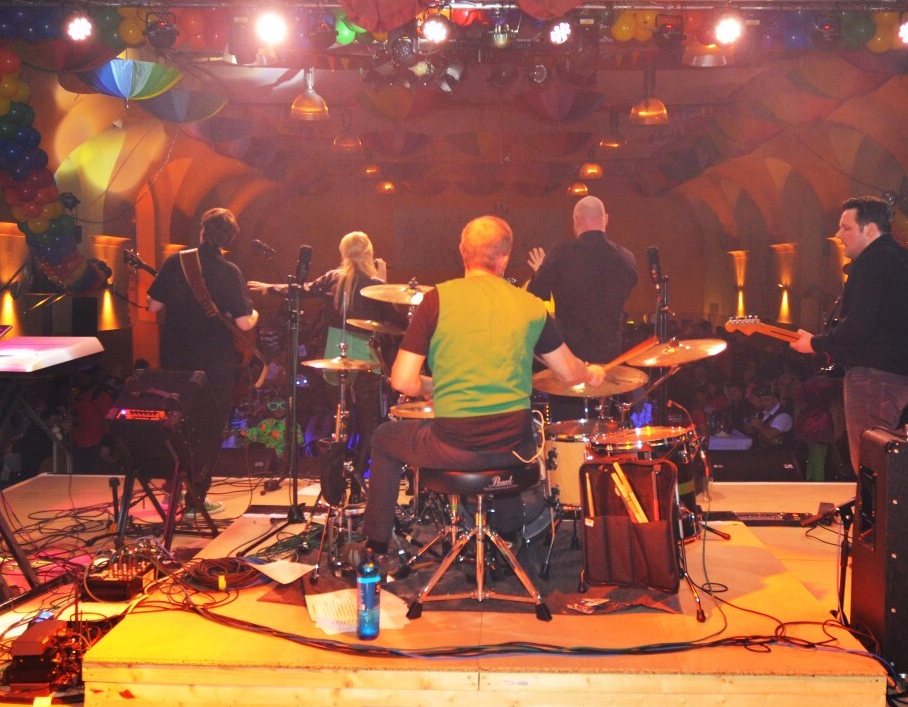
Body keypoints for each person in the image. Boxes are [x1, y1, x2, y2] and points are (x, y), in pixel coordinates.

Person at [360, 217, 606, 569]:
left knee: (385, 438)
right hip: (512, 448)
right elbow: (569, 373)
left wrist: (433, 387)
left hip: (453, 446)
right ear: (504, 259)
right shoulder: (529, 305)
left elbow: (402, 381)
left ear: (463, 252)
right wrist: (592, 372)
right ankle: (508, 534)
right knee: (513, 434)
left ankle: (375, 549)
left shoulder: (436, 300)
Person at [791, 196, 908, 474]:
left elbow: (859, 326)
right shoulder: (907, 260)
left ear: (871, 229)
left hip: (874, 378)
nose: (838, 235)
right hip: (904, 374)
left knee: (869, 461)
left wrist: (815, 344)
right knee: (884, 456)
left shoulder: (871, 262)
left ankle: (872, 504)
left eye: (846, 228)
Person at [250, 230, 394, 482]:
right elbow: (393, 320)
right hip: (365, 352)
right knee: (370, 422)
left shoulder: (332, 278)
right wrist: (383, 281)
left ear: (343, 253)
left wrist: (270, 288)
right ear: (369, 253)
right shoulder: (374, 283)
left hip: (335, 352)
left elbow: (301, 289)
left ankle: (334, 478)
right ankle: (358, 476)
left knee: (339, 418)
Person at [148, 208, 259, 518]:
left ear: (202, 231)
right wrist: (255, 314)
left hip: (176, 358)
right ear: (229, 240)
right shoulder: (229, 271)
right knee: (208, 425)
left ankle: (172, 487)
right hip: (214, 361)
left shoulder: (176, 261)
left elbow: (153, 305)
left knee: (176, 421)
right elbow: (244, 323)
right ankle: (196, 498)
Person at [526, 195, 638, 364]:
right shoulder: (626, 258)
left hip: (570, 359)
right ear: (606, 219)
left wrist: (541, 271)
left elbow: (535, 294)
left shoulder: (560, 253)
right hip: (609, 358)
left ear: (576, 220)